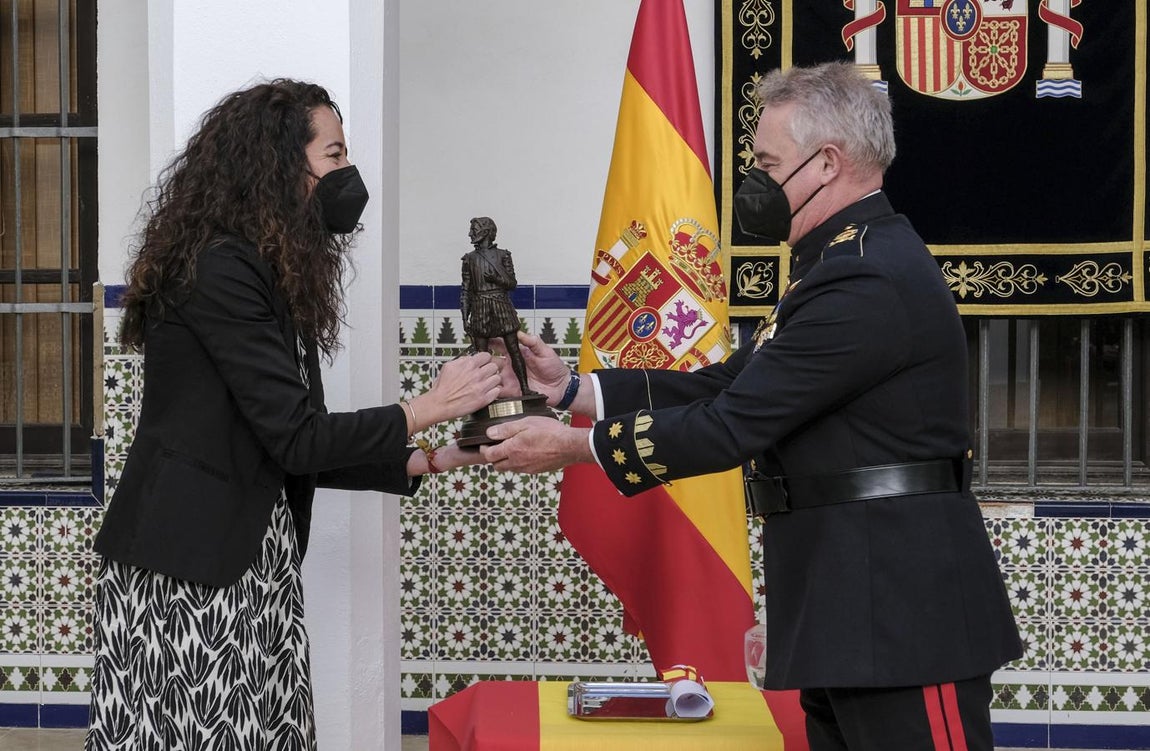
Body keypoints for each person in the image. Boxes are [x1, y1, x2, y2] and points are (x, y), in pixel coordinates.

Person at [480, 62, 1022, 751]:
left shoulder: (867, 275)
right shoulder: (836, 263)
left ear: (827, 163)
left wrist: (575, 447)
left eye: (767, 163)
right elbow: (732, 382)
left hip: (902, 613)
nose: (755, 182)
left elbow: (732, 424)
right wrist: (572, 390)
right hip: (846, 602)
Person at [85, 79, 500, 750]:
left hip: (248, 555)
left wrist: (428, 458)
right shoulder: (219, 269)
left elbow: (288, 443)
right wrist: (429, 405)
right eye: (333, 155)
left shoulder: (267, 268)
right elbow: (299, 438)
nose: (347, 173)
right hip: (189, 565)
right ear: (280, 164)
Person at [460, 216, 534, 395]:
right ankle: (485, 395)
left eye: (474, 230)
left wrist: (496, 279)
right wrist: (465, 318)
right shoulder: (469, 259)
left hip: (501, 305)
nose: (470, 234)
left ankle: (525, 388)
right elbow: (466, 290)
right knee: (481, 356)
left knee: (514, 349)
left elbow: (512, 284)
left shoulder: (503, 255)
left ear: (485, 232)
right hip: (480, 308)